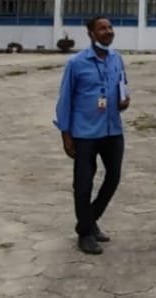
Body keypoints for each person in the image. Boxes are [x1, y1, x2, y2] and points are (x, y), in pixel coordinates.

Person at [54, 16, 130, 255]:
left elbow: (122, 87)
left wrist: (124, 101)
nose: (108, 31)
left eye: (109, 27)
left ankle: (87, 222)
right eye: (102, 28)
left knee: (114, 177)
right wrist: (65, 134)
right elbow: (65, 99)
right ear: (91, 34)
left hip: (112, 129)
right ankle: (86, 234)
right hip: (85, 132)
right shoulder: (76, 63)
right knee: (83, 184)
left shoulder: (117, 59)